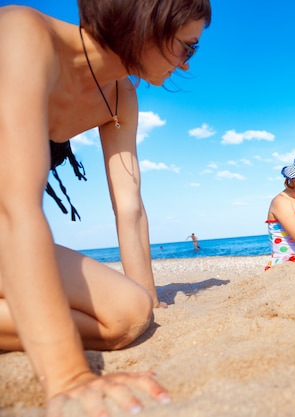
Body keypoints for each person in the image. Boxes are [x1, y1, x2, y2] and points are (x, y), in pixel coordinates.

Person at [0, 1, 211, 416]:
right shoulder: (22, 33)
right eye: (187, 47)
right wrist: (69, 378)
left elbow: (129, 205)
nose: (187, 65)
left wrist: (149, 297)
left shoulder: (120, 96)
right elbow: (15, 205)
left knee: (128, 314)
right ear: (147, 25)